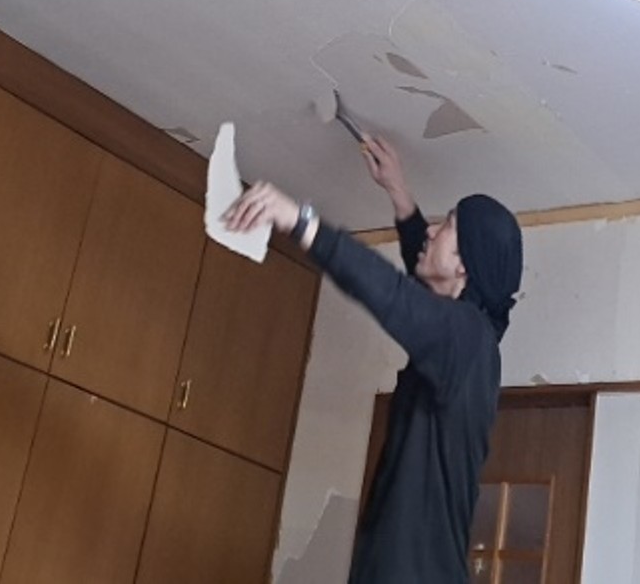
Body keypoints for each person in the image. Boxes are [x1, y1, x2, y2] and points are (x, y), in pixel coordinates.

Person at [224, 133, 522, 584]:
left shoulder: (469, 341)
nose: (431, 231)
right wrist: (399, 192)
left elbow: (395, 296)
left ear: (464, 265)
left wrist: (300, 220)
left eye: (447, 226)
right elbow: (418, 292)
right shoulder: (465, 343)